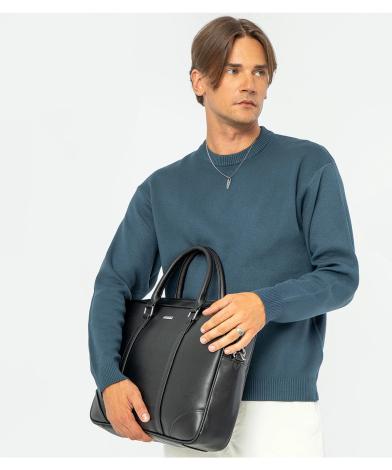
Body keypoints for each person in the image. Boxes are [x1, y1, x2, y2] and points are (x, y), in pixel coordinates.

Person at [88, 15, 359, 458]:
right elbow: (114, 284)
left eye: (259, 72)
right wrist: (108, 377)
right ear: (200, 81)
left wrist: (265, 304)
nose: (249, 84)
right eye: (233, 70)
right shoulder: (162, 189)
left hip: (278, 411)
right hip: (183, 403)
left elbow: (340, 276)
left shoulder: (308, 165)